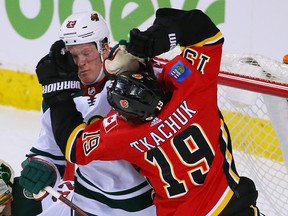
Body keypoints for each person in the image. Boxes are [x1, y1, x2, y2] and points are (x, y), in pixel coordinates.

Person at [33, 8, 261, 215]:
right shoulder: (191, 88)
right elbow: (205, 31)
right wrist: (161, 34)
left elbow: (75, 146)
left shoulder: (123, 131)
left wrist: (56, 92)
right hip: (231, 205)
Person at [18, 11, 155, 216]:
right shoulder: (61, 91)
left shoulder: (131, 83)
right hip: (86, 198)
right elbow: (50, 148)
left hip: (140, 201)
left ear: (104, 48)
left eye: (86, 53)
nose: (80, 62)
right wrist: (41, 166)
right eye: (73, 55)